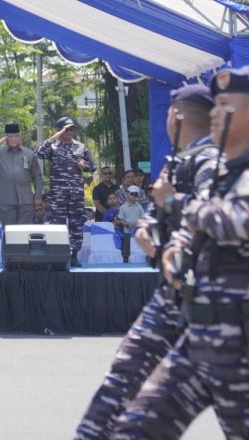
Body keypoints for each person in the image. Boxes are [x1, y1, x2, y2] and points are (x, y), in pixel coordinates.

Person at [114, 66, 249, 439]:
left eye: (225, 105)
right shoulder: (222, 177)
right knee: (137, 428)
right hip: (200, 337)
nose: (214, 113)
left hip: (248, 345)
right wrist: (172, 251)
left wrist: (176, 204)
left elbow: (239, 220)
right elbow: (194, 234)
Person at [76, 83, 216, 439]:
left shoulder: (211, 164)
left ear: (176, 118)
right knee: (122, 392)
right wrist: (153, 231)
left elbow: (216, 223)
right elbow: (162, 223)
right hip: (177, 297)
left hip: (206, 301)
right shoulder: (181, 163)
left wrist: (168, 208)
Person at [35, 117, 94, 267]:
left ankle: (74, 255)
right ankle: (58, 255)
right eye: (66, 129)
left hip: (75, 193)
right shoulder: (53, 146)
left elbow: (92, 166)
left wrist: (84, 165)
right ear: (59, 129)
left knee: (76, 224)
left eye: (71, 129)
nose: (69, 132)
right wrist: (55, 136)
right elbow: (38, 153)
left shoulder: (81, 147)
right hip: (58, 194)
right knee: (58, 225)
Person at [0, 123, 43, 239]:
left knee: (24, 234)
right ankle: (8, 257)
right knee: (9, 234)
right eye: (10, 136)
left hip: (26, 201)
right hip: (6, 201)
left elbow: (37, 176)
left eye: (16, 136)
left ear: (20, 136)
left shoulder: (29, 154)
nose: (13, 139)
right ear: (5, 137)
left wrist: (38, 196)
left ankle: (23, 257)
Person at [114, 185, 144, 263]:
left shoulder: (139, 206)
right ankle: (125, 266)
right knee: (126, 251)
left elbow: (143, 218)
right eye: (132, 194)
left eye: (136, 194)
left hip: (137, 233)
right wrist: (127, 224)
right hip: (127, 233)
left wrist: (136, 223)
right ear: (127, 194)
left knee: (138, 250)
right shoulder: (123, 207)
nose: (134, 196)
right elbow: (120, 219)